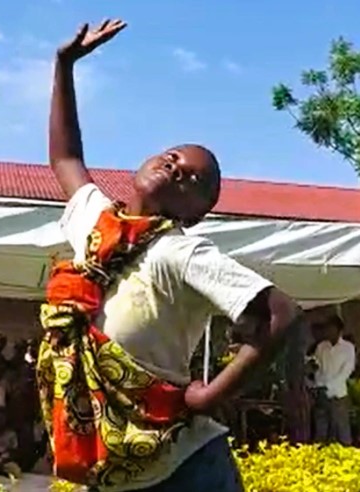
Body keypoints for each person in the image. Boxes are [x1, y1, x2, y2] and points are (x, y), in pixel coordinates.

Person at [38, 19, 300, 491]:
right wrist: (64, 66)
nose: (176, 168)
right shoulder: (95, 223)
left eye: (192, 179)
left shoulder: (181, 251)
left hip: (182, 462)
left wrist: (210, 395)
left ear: (195, 214)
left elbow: (281, 312)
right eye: (174, 156)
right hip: (114, 455)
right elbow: (66, 159)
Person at [312, 315, 355, 445]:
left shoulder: (348, 348)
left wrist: (329, 386)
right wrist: (318, 384)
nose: (327, 331)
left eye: (330, 328)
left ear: (338, 330)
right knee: (321, 431)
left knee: (342, 430)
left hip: (338, 394)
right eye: (326, 328)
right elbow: (317, 367)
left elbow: (347, 371)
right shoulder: (321, 347)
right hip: (321, 393)